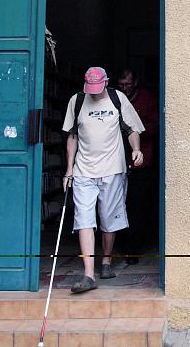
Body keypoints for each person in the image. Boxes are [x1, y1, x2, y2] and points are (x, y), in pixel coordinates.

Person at [62, 66, 145, 293]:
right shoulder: (77, 101)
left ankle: (106, 261)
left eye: (98, 88)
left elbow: (132, 130)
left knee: (109, 218)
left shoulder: (118, 99)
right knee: (84, 219)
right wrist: (69, 169)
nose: (95, 93)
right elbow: (72, 136)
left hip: (112, 168)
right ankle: (88, 274)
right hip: (83, 171)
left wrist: (136, 150)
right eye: (91, 89)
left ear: (107, 82)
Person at [116, 68, 159, 265]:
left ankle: (134, 249)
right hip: (118, 162)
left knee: (137, 207)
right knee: (118, 205)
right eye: (121, 84)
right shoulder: (114, 99)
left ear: (136, 82)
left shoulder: (147, 99)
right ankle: (122, 246)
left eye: (128, 84)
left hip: (142, 162)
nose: (124, 88)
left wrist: (135, 131)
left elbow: (156, 125)